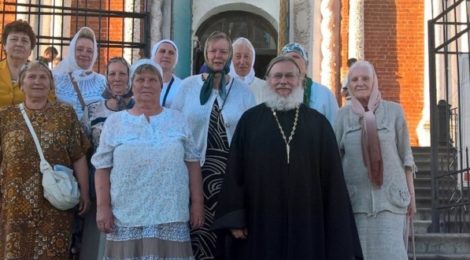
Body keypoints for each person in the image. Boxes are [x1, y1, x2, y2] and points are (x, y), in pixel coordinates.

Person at [212, 55, 363, 260]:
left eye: (290, 76)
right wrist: (235, 217)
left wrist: (334, 223)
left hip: (308, 218)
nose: (283, 81)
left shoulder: (318, 124)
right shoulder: (250, 121)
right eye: (278, 76)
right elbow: (235, 172)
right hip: (261, 219)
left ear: (300, 81)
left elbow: (333, 179)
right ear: (268, 80)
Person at [91, 59, 204, 259]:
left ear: (161, 85)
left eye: (152, 80)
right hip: (126, 215)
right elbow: (102, 168)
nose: (146, 84)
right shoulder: (115, 122)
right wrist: (103, 207)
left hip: (171, 214)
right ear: (131, 85)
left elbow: (193, 164)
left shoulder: (178, 119)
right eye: (140, 79)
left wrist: (197, 203)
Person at [171, 31, 256, 259]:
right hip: (195, 174)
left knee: (229, 237)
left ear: (229, 55)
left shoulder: (244, 92)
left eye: (223, 51)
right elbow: (173, 128)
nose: (218, 56)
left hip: (231, 178)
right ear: (205, 54)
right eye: (213, 51)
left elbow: (252, 135)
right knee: (198, 235)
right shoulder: (188, 87)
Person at [0, 61, 91, 258]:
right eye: (31, 77)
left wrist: (84, 192)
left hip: (54, 203)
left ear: (51, 84)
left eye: (43, 77)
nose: (37, 82)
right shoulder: (6, 117)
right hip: (13, 205)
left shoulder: (65, 114)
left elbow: (78, 155)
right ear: (21, 85)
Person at [334, 60, 416, 260]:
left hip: (391, 202)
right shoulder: (342, 116)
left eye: (365, 78)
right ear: (349, 84)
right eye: (354, 79)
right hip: (357, 205)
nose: (360, 83)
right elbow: (335, 159)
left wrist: (412, 198)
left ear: (374, 81)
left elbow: (406, 157)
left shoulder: (395, 111)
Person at [80, 57, 134, 260]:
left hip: (131, 187)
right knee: (99, 242)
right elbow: (83, 153)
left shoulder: (139, 108)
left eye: (122, 74)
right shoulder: (93, 110)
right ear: (106, 78)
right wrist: (85, 190)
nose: (117, 78)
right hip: (99, 186)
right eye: (112, 73)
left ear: (129, 78)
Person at [53, 26, 106, 120]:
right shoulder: (57, 80)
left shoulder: (102, 82)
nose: (84, 54)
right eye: (80, 49)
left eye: (89, 51)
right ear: (72, 51)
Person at [280, 42, 338, 126]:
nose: (291, 61)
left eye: (295, 57)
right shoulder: (273, 92)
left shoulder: (324, 94)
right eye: (286, 58)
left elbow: (334, 127)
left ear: (306, 66)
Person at [0, 20, 55, 106]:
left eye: (24, 41)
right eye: (14, 39)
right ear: (4, 45)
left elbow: (50, 104)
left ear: (30, 49)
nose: (19, 44)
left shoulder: (42, 75)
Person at [229, 37, 266, 104]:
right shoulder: (223, 86)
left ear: (253, 59)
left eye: (246, 56)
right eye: (238, 56)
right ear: (231, 59)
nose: (242, 61)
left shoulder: (264, 87)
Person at [151, 39, 182, 107]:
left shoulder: (182, 86)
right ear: (154, 55)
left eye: (171, 53)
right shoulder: (143, 83)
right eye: (162, 51)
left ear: (175, 59)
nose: (166, 55)